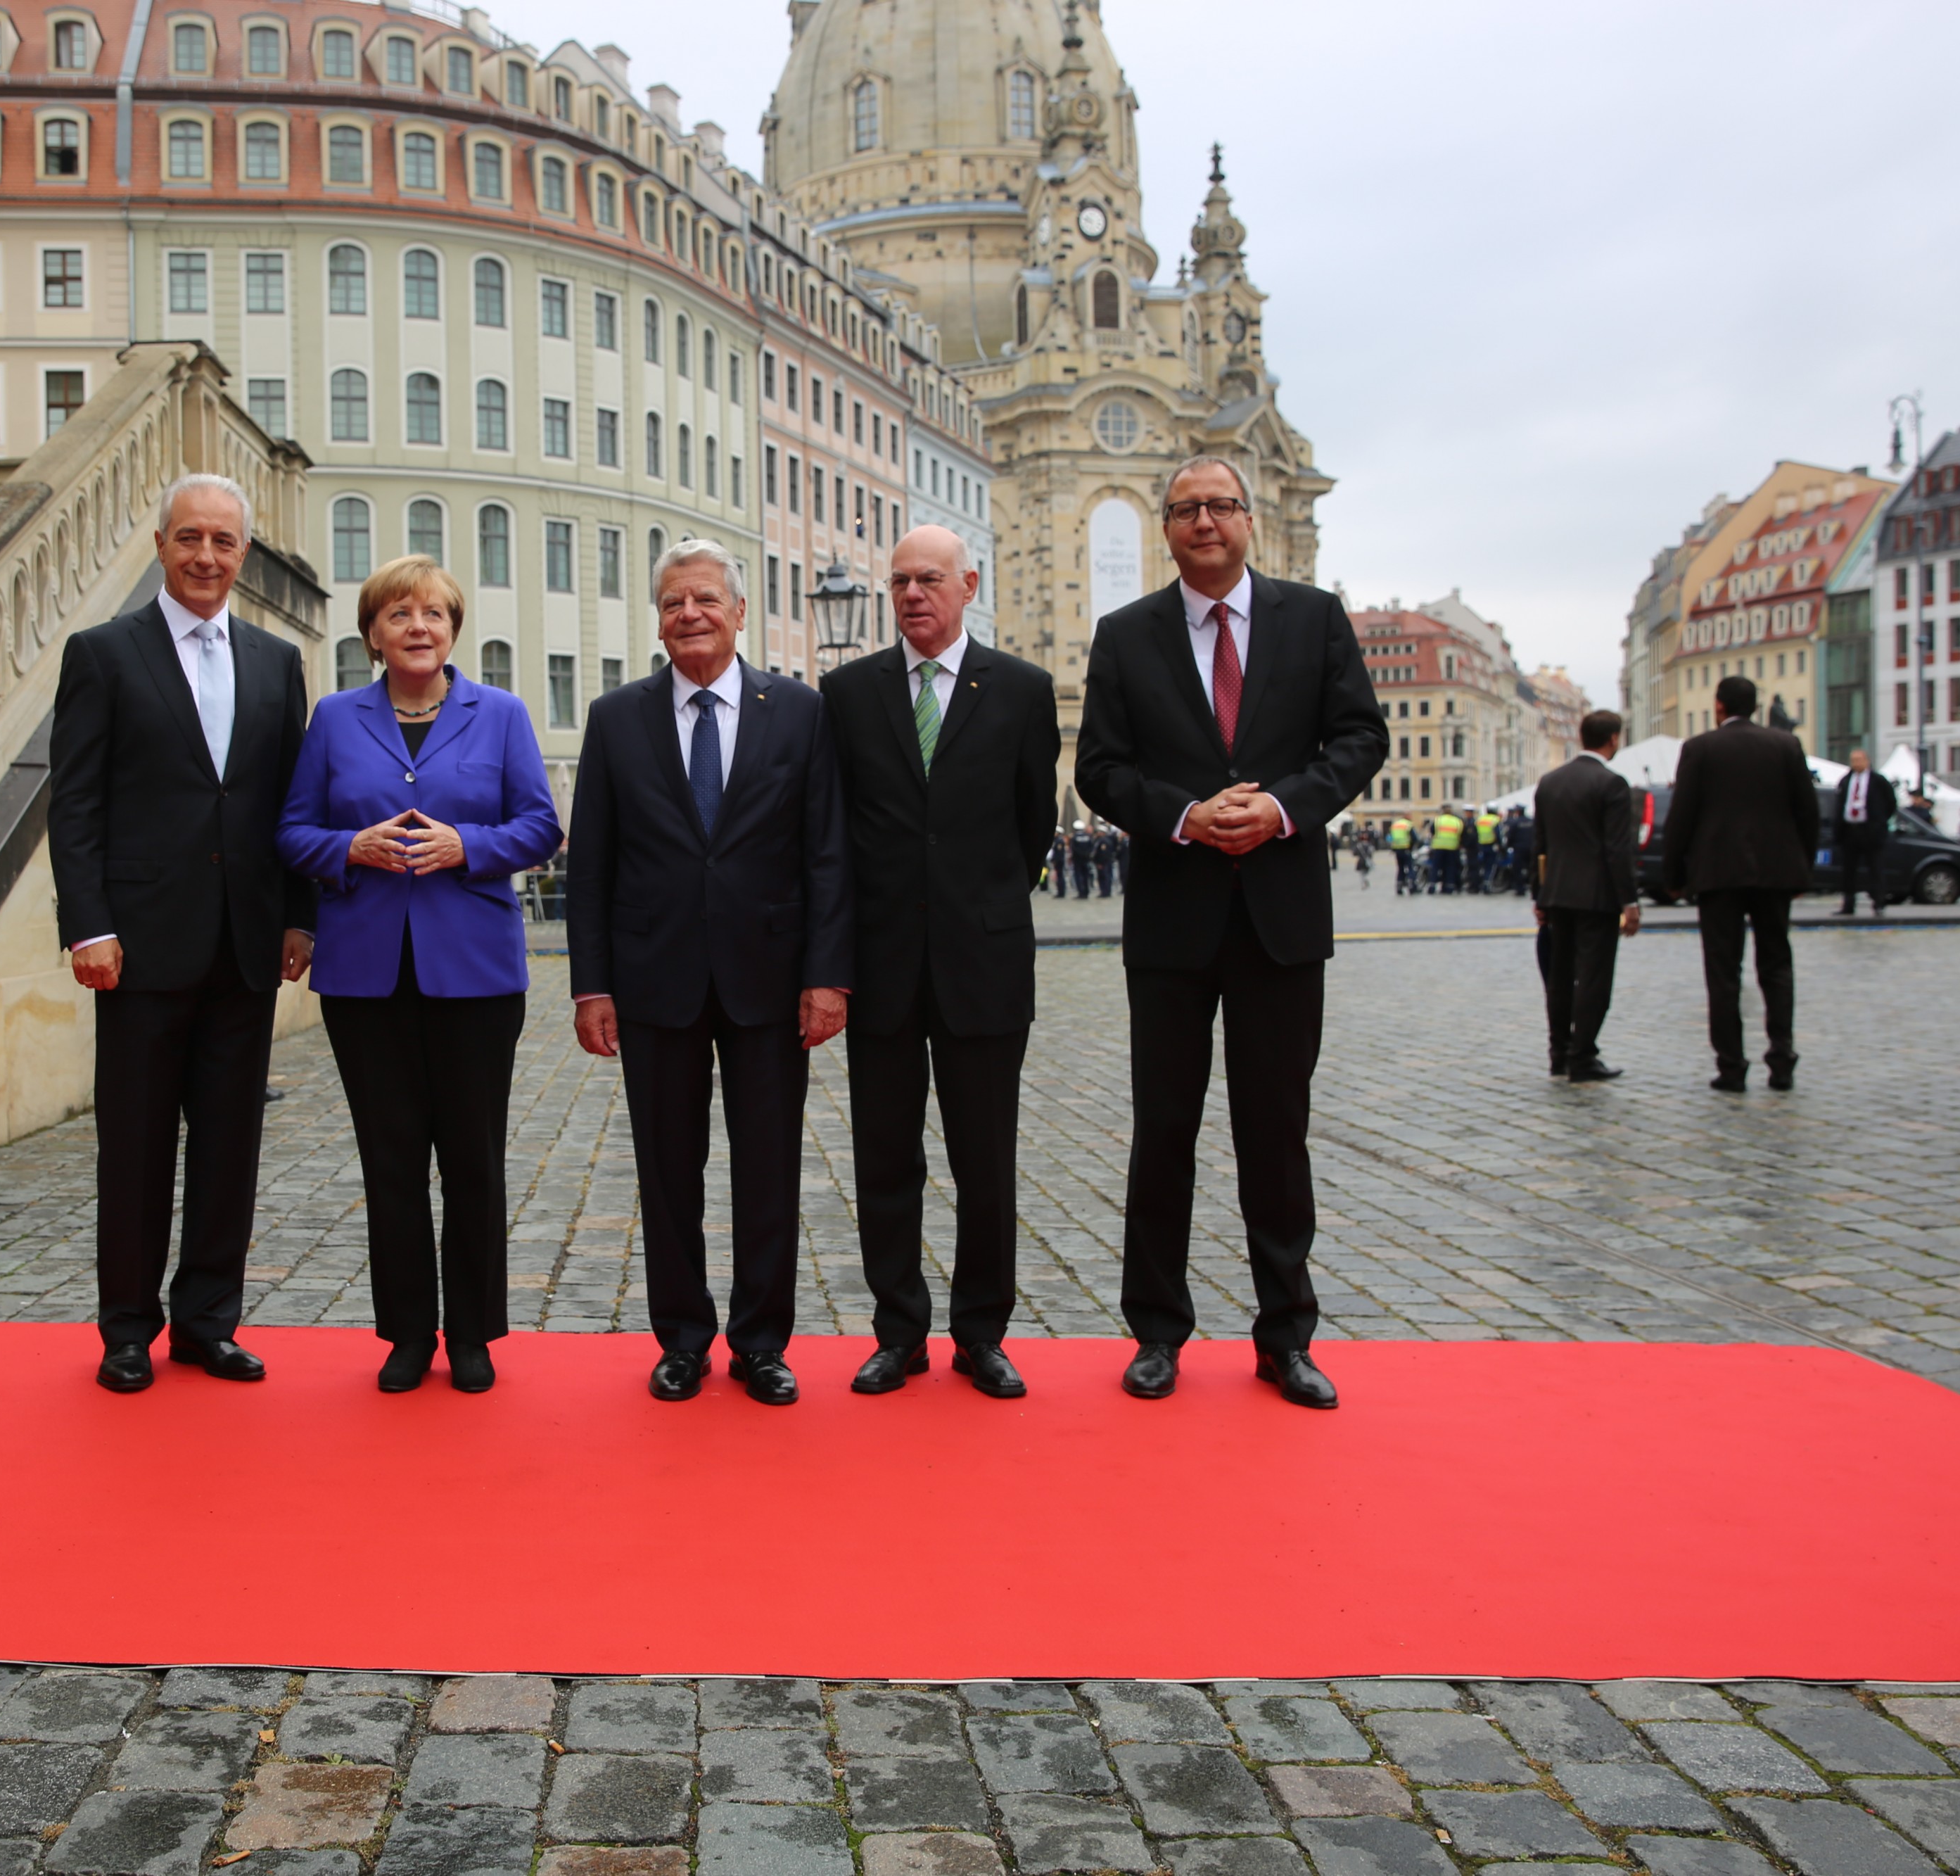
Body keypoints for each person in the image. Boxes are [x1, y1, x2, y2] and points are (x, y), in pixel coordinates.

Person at [1074, 455, 1387, 1409]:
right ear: (1166, 529)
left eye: (1219, 506)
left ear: (1249, 520)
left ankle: (1286, 1336)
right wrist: (1184, 815)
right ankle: (1157, 1333)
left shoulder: (1314, 618)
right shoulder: (1126, 636)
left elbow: (1358, 739)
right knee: (1163, 1131)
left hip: (1281, 919)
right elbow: (1100, 768)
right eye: (1185, 510)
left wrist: (1285, 807)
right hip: (1174, 917)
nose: (1203, 521)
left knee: (1275, 1133)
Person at [567, 539, 852, 1405]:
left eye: (703, 600)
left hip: (771, 982)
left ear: (738, 610)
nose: (687, 615)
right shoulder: (618, 717)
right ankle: (683, 1338)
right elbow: (593, 865)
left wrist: (827, 974)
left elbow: (827, 853)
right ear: (657, 620)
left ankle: (762, 1341)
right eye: (671, 603)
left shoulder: (798, 711)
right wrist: (592, 984)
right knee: (667, 1169)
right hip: (655, 982)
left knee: (767, 1168)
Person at [51, 474, 317, 1394]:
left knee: (229, 1146)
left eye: (225, 542)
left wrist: (299, 913)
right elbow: (75, 802)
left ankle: (208, 1320)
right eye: (191, 538)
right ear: (160, 544)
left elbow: (293, 802)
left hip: (243, 945)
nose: (207, 556)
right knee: (134, 1146)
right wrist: (89, 924)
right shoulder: (103, 654)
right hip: (139, 948)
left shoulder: (278, 662)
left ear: (244, 554)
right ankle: (128, 1327)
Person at [275, 555, 561, 1390]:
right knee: (390, 1158)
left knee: (472, 1157)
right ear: (372, 633)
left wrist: (467, 846)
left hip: (474, 972)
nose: (419, 626)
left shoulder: (499, 713)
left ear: (453, 628)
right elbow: (291, 829)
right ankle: (407, 1331)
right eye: (399, 614)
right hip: (366, 975)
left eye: (434, 613)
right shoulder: (333, 718)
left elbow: (540, 824)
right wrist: (345, 848)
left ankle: (471, 1333)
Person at [822, 526, 1058, 1400]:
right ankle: (898, 1332)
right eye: (900, 581)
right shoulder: (847, 692)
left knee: (984, 1159)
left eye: (930, 579)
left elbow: (1032, 822)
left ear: (969, 585)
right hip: (881, 960)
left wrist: (979, 897)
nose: (913, 593)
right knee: (886, 1158)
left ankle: (981, 1332)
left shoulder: (1023, 691)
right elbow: (835, 829)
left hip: (984, 960)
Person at [1659, 674, 1817, 1092]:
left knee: (1724, 972)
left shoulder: (1700, 749)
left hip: (1718, 873)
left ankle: (1731, 1065)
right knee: (1777, 965)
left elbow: (1682, 817)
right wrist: (1802, 869)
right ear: (1755, 705)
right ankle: (1782, 1059)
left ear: (1719, 706)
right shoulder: (1786, 746)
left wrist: (1673, 876)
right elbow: (1808, 810)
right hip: (1775, 872)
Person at [1532, 710, 1641, 1082]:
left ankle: (1558, 1053)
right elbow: (1617, 849)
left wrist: (1540, 897)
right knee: (1593, 980)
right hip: (1597, 898)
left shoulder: (1550, 782)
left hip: (1558, 894)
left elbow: (1540, 846)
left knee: (1559, 979)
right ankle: (1583, 1055)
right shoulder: (1612, 784)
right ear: (1613, 739)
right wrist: (1630, 901)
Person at [1831, 747, 1896, 915]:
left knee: (1875, 868)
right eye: (1853, 760)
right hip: (1850, 831)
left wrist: (1878, 823)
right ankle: (1848, 905)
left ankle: (1878, 903)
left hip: (1871, 831)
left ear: (1867, 761)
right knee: (1848, 870)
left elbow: (1891, 804)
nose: (1856, 764)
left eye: (1859, 760)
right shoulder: (1846, 780)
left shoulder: (1878, 781)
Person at [1387, 814, 1415, 893]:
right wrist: (1411, 847)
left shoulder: (1395, 825)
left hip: (1397, 850)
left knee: (1400, 869)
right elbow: (1415, 838)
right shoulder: (1408, 825)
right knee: (1410, 868)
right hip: (1406, 849)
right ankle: (1411, 886)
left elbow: (1390, 838)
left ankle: (1399, 888)